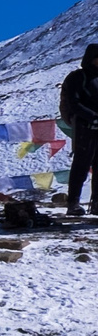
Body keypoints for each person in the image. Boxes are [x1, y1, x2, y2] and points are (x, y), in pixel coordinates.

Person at [63, 44, 98, 217]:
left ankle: (96, 203)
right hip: (84, 126)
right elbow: (74, 102)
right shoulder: (78, 77)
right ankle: (73, 203)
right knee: (81, 165)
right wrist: (93, 116)